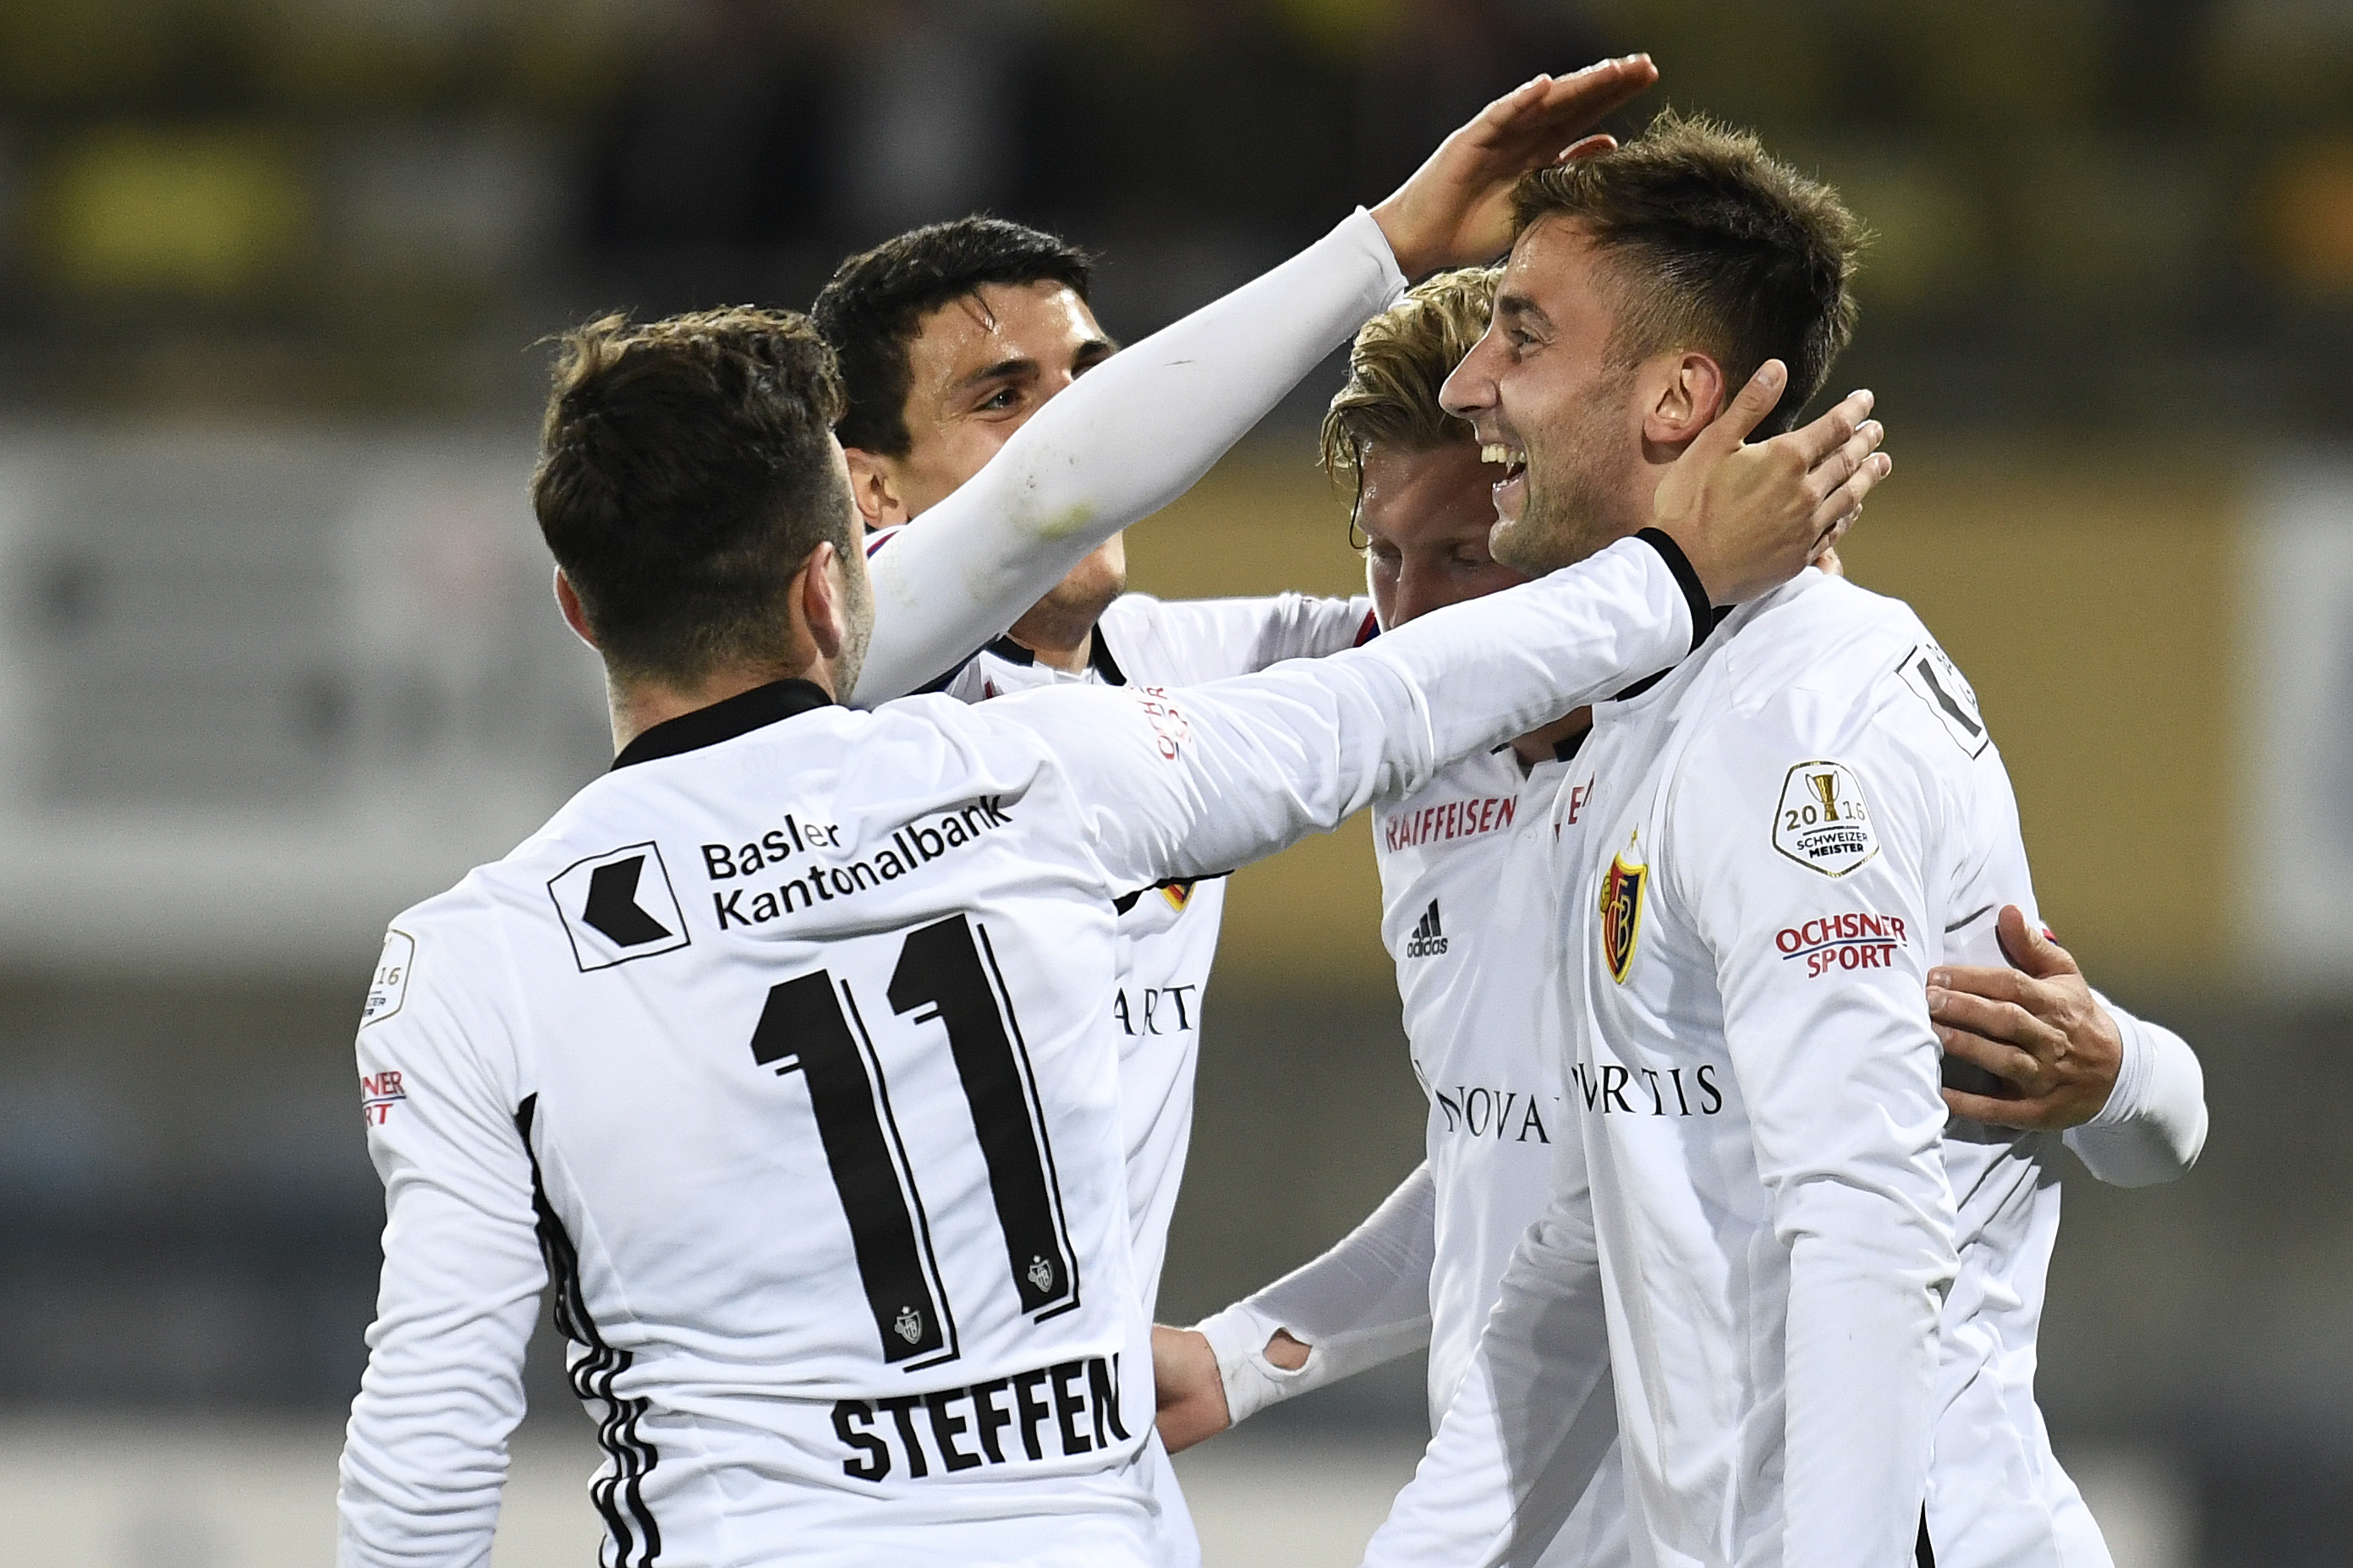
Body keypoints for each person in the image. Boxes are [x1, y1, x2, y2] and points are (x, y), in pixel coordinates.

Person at [335, 70, 1883, 1568]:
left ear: (574, 605)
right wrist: (1678, 568)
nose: (1061, 434)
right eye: (1004, 397)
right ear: (842, 558)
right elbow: (1380, 694)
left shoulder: (474, 962)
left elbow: (428, 1445)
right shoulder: (1050, 776)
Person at [1153, 266, 2208, 1566]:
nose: (1410, 612)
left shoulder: (1759, 750)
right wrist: (1250, 1352)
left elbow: (1893, 1197)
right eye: (1382, 554)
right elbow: (1520, 1150)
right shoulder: (1408, 742)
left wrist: (2120, 1069)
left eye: (1462, 557)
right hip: (1546, 1513)